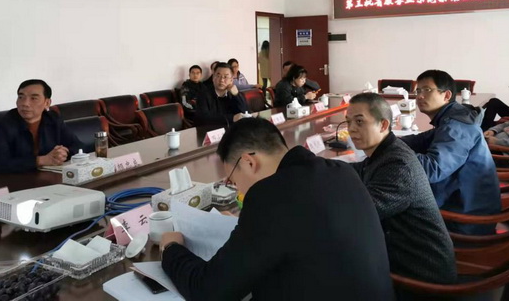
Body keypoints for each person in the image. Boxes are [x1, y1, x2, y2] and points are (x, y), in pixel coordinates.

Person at [160, 118, 395, 300]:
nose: (235, 188)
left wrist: (171, 248)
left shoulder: (269, 197)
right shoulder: (340, 171)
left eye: (231, 179)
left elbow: (208, 291)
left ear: (249, 162)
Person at [346, 93, 456, 289]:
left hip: (423, 277)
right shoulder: (385, 152)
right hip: (404, 259)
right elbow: (360, 169)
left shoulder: (398, 164)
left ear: (383, 125)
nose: (351, 129)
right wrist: (321, 168)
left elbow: (361, 213)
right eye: (348, 122)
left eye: (359, 121)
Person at [401, 70, 501, 235]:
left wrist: (394, 151)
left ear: (446, 95)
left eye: (427, 90)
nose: (419, 96)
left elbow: (432, 170)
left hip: (466, 221)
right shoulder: (452, 117)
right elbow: (421, 140)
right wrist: (386, 141)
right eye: (418, 91)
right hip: (463, 205)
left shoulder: (456, 126)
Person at [0, 79, 83, 175]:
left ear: (47, 103)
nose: (25, 103)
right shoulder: (3, 125)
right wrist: (40, 160)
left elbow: (78, 145)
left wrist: (63, 154)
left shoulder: (53, 119)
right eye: (21, 97)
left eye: (33, 98)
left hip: (48, 177)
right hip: (16, 180)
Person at [195, 62, 248, 127]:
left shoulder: (234, 94)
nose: (222, 80)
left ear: (231, 80)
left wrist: (236, 95)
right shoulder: (203, 95)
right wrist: (232, 118)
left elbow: (245, 112)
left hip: (232, 130)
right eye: (218, 76)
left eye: (226, 77)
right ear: (213, 78)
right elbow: (203, 119)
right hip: (211, 131)